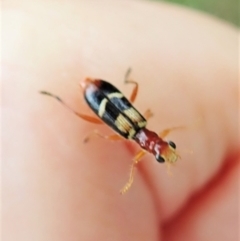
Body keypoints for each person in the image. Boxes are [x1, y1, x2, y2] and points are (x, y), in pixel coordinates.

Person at [2, 0, 239, 240]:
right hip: (97, 92)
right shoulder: (134, 132)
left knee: (107, 124)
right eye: (167, 146)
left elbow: (120, 145)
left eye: (161, 153)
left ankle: (90, 90)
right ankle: (57, 97)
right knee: (96, 122)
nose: (163, 149)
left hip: (98, 96)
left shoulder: (137, 126)